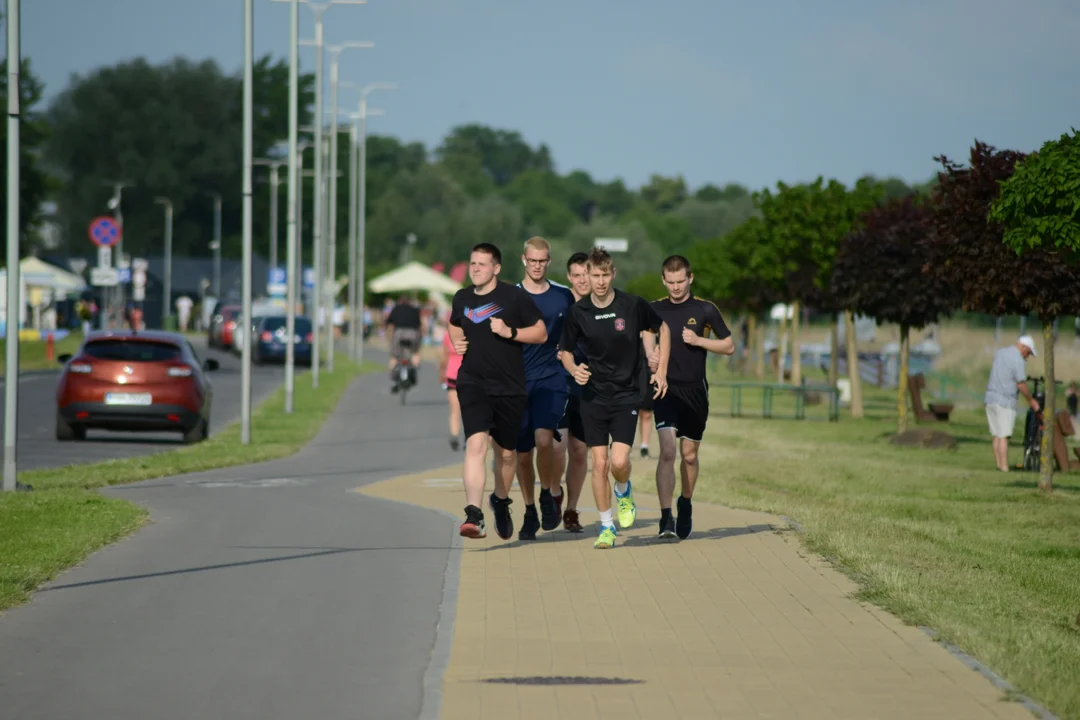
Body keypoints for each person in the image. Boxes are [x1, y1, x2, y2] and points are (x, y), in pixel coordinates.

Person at [559, 247, 670, 549]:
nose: (600, 281)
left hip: (625, 395)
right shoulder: (578, 312)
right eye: (595, 275)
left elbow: (662, 327)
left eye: (605, 275)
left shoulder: (631, 305)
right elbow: (565, 351)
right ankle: (606, 527)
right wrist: (574, 369)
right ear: (588, 276)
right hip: (593, 395)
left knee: (619, 462)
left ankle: (623, 490)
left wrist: (660, 371)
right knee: (600, 463)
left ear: (613, 273)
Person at [449, 243, 547, 540]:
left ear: (496, 268)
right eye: (472, 263)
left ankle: (501, 501)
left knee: (506, 455)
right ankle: (473, 514)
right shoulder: (462, 297)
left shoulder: (514, 297)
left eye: (482, 264)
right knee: (476, 445)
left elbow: (541, 333)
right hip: (472, 382)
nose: (475, 268)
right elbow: (455, 324)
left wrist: (510, 333)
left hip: (509, 386)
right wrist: (457, 341)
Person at [645, 255, 734, 540]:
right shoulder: (655, 308)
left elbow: (729, 345)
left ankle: (685, 502)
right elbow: (643, 333)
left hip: (695, 390)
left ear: (690, 278)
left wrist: (699, 341)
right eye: (670, 282)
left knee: (689, 456)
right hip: (665, 389)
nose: (675, 287)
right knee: (668, 452)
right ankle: (665, 517)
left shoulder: (705, 309)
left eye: (680, 281)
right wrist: (651, 354)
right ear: (663, 280)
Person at [513, 237, 577, 540]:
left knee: (544, 440)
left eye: (543, 261)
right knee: (521, 455)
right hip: (516, 381)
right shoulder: (509, 296)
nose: (537, 265)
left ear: (548, 262)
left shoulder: (564, 296)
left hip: (552, 379)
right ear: (524, 260)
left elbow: (581, 332)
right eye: (532, 260)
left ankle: (548, 495)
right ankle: (528, 510)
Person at [557, 252, 593, 533]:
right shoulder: (561, 302)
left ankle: (571, 509)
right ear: (569, 277)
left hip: (588, 388)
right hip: (557, 385)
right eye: (577, 275)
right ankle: (552, 490)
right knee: (555, 448)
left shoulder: (602, 304)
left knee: (580, 451)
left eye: (586, 274)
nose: (583, 280)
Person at [985, 335, 1039, 472]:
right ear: (1023, 348)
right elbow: (1021, 383)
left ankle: (998, 465)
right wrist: (1031, 400)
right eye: (1028, 353)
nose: (1028, 356)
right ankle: (1004, 467)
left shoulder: (1000, 352)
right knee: (1004, 435)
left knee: (996, 435)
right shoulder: (1017, 360)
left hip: (990, 398)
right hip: (1005, 401)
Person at [386, 294, 422, 390]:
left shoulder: (396, 309)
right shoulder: (414, 310)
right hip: (412, 333)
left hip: (399, 333)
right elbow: (419, 326)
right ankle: (414, 369)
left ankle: (393, 378)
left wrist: (389, 338)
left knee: (394, 356)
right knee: (414, 352)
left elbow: (389, 325)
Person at [440, 314, 464, 451]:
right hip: (469, 374)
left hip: (452, 374)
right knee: (470, 408)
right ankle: (470, 436)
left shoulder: (447, 335)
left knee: (455, 409)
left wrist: (441, 373)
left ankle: (454, 435)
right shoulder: (471, 333)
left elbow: (444, 357)